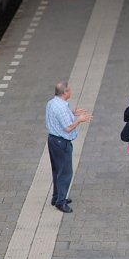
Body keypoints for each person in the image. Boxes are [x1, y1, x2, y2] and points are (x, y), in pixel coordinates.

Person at [45, 81, 91, 213]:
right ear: (65, 93)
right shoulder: (60, 107)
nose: (71, 92)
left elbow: (59, 117)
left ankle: (56, 197)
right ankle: (61, 202)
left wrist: (73, 113)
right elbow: (67, 128)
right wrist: (79, 120)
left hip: (53, 140)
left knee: (57, 170)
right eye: (69, 90)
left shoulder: (52, 103)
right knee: (65, 173)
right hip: (61, 142)